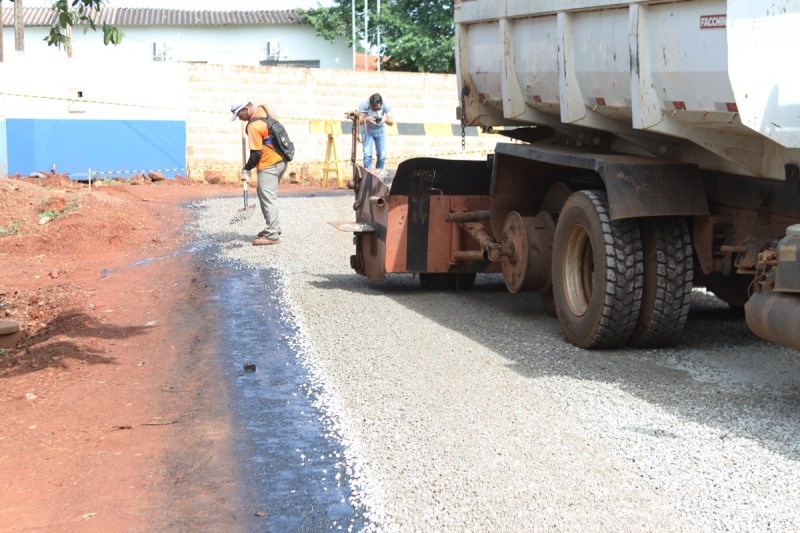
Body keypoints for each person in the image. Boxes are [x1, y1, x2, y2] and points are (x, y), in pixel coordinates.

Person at [230, 100, 287, 246]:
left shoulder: (254, 125)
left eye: (239, 115)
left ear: (246, 109)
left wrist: (246, 169)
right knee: (265, 194)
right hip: (281, 161)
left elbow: (256, 154)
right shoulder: (265, 108)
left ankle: (272, 235)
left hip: (269, 164)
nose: (240, 119)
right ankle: (273, 228)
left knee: (268, 197)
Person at [358, 93, 394, 169]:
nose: (376, 110)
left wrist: (385, 119)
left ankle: (379, 174)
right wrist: (367, 119)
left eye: (378, 109)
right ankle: (368, 175)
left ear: (381, 104)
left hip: (380, 132)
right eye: (374, 109)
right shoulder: (364, 104)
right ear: (370, 104)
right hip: (367, 131)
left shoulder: (385, 104)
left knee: (382, 156)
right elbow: (358, 122)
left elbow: (391, 122)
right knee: (367, 156)